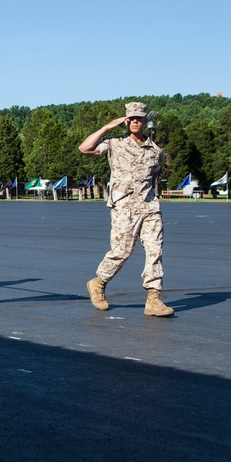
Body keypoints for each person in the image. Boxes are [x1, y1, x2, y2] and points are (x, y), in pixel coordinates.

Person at [78, 102, 173, 317]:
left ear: (145, 121)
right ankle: (99, 283)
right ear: (126, 120)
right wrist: (106, 127)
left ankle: (153, 298)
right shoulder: (114, 143)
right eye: (130, 118)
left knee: (154, 250)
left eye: (139, 118)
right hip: (124, 207)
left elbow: (154, 177)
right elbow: (84, 148)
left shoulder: (155, 151)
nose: (134, 122)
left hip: (149, 207)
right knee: (122, 252)